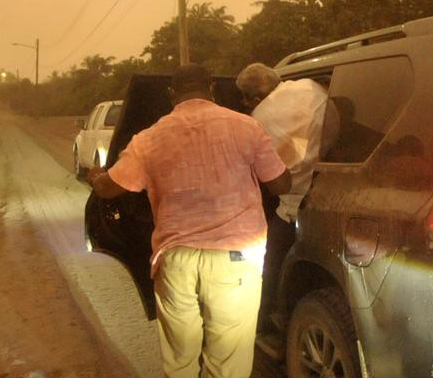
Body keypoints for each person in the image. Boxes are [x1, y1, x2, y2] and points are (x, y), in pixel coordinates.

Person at [87, 63, 291, 378]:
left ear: (172, 95)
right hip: (236, 258)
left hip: (175, 260)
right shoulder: (246, 127)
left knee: (179, 362)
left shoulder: (148, 139)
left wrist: (96, 177)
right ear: (211, 89)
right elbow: (281, 185)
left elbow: (111, 188)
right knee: (227, 364)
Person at [235, 63, 331, 330]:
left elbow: (263, 175)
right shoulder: (311, 87)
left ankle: (266, 320)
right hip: (334, 190)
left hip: (294, 204)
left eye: (245, 101)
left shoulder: (256, 121)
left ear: (254, 99)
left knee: (270, 261)